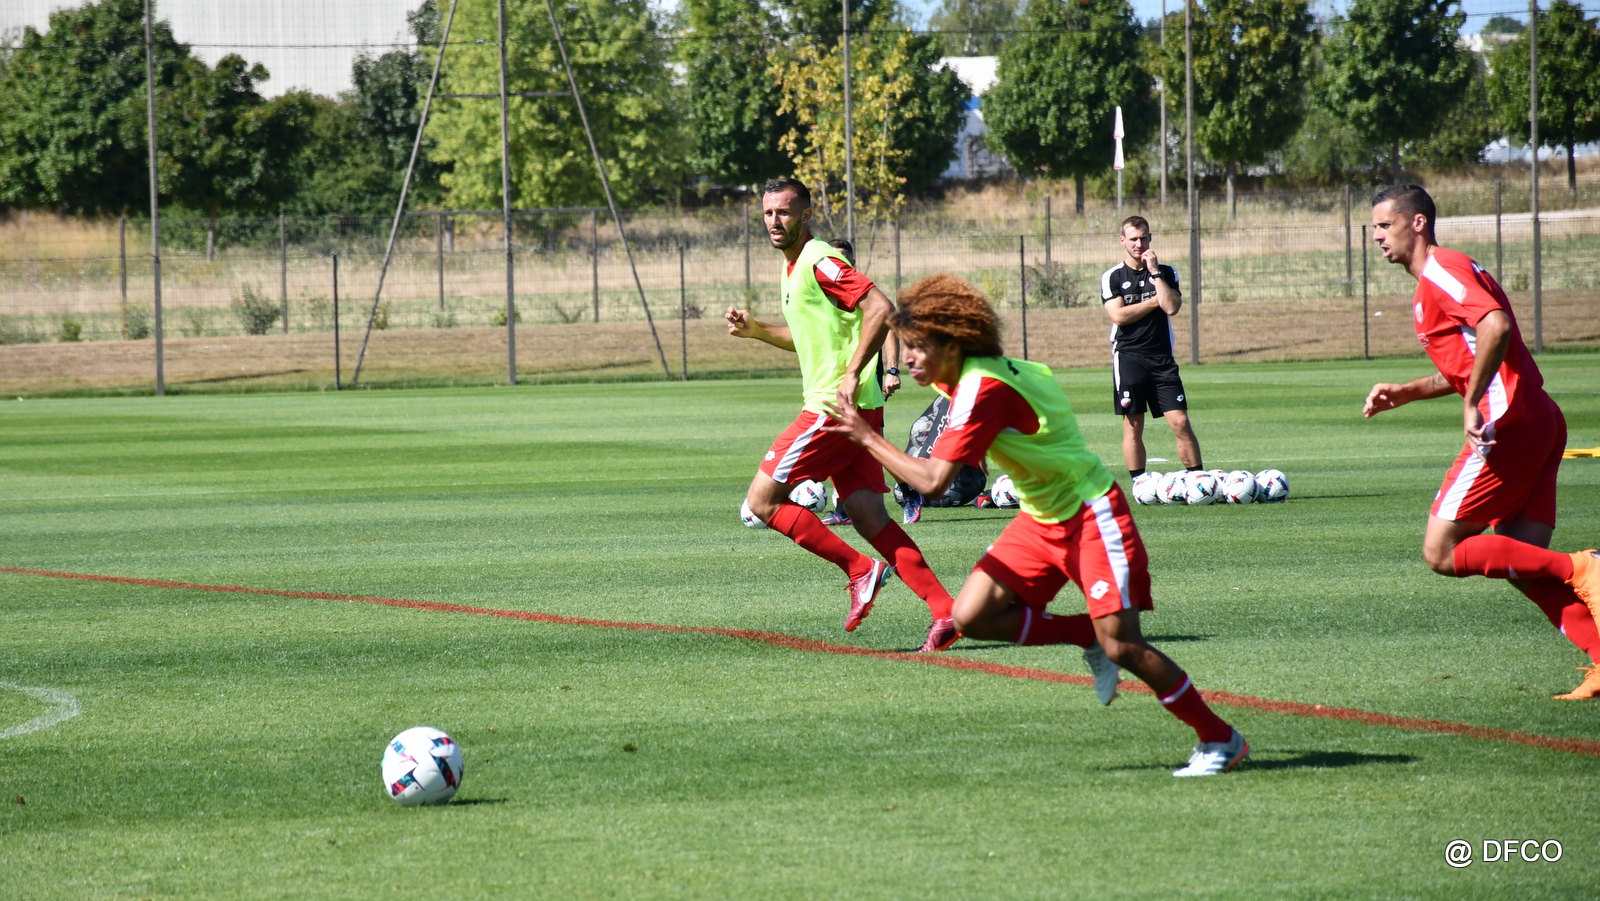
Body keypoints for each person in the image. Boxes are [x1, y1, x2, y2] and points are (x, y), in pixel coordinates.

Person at [823, 274, 1249, 776]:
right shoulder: (969, 372)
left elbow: (935, 483)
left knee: (1125, 646)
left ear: (953, 344)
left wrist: (866, 437)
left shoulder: (981, 388)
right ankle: (1085, 634)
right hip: (1040, 519)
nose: (908, 358)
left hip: (1090, 515)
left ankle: (1219, 738)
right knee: (971, 616)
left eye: (917, 347)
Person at [1363, 184, 1600, 700]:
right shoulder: (1438, 278)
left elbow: (1495, 325)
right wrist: (1407, 391)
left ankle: (1583, 565)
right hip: (1537, 418)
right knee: (1519, 560)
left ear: (1417, 222)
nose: (1376, 236)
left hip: (1506, 424)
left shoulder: (1441, 270)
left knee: (1442, 552)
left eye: (1384, 224)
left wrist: (1471, 403)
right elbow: (1472, 359)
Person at [726, 178, 959, 652]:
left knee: (762, 502)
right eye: (768, 213)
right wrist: (758, 331)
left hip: (832, 407)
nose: (774, 221)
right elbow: (807, 337)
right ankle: (946, 612)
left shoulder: (819, 260)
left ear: (806, 215)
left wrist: (852, 374)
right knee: (870, 517)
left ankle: (860, 570)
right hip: (858, 412)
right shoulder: (794, 267)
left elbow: (881, 308)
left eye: (784, 212)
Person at [1101, 216, 1204, 480]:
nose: (1139, 244)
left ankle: (1198, 481)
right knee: (1133, 425)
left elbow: (1171, 307)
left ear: (1150, 238)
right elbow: (1119, 316)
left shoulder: (1166, 272)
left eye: (1143, 238)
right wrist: (1152, 302)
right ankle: (1139, 484)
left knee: (1180, 422)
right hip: (1129, 358)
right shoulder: (1113, 276)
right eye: (1133, 239)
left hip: (1162, 359)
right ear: (1122, 241)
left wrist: (1155, 272)